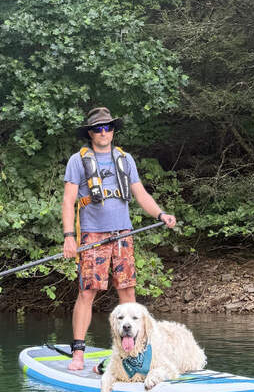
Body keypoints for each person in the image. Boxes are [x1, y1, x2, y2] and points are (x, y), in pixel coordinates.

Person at [62, 106, 176, 371]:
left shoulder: (125, 159)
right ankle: (78, 353)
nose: (104, 133)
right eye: (99, 129)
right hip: (92, 236)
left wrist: (161, 214)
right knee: (87, 292)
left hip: (123, 235)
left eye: (108, 128)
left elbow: (141, 194)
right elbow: (68, 202)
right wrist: (69, 237)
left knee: (128, 292)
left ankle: (134, 353)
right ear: (91, 133)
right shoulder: (77, 160)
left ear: (113, 130)